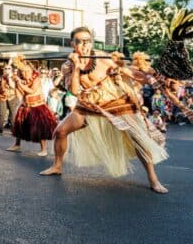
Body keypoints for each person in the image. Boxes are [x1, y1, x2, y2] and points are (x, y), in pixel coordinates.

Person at [40, 27, 169, 194]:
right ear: (72, 43)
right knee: (60, 131)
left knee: (139, 140)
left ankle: (153, 179)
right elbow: (74, 90)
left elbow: (129, 72)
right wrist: (76, 67)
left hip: (116, 102)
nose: (84, 45)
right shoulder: (67, 65)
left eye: (87, 41)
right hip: (89, 104)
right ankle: (57, 166)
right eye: (79, 41)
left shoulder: (104, 58)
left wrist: (152, 77)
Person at [6, 56, 57, 157]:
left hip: (37, 106)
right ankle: (17, 144)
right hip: (26, 106)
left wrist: (19, 83)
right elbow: (20, 93)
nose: (25, 74)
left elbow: (31, 91)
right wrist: (17, 83)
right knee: (20, 125)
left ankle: (43, 149)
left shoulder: (36, 79)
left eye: (27, 71)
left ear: (31, 70)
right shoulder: (21, 80)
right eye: (23, 72)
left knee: (40, 128)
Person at [0, 64, 21, 133]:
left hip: (12, 97)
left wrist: (9, 78)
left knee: (12, 114)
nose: (7, 70)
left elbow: (13, 86)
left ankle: (14, 130)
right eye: (5, 68)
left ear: (11, 70)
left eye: (8, 68)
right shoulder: (1, 77)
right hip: (3, 97)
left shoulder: (14, 77)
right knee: (2, 113)